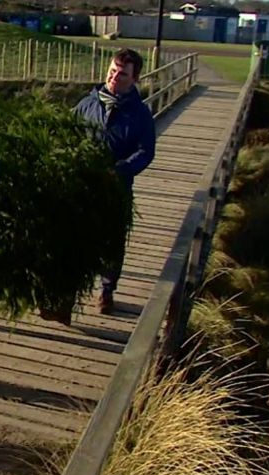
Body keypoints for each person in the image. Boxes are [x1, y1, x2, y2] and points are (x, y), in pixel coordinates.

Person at [71, 48, 155, 318]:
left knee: (112, 242)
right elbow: (67, 133)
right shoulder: (86, 104)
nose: (115, 77)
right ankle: (70, 290)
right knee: (77, 238)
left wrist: (121, 169)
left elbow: (146, 152)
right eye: (112, 71)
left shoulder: (141, 115)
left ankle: (107, 290)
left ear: (135, 79)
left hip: (116, 187)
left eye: (122, 74)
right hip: (83, 185)